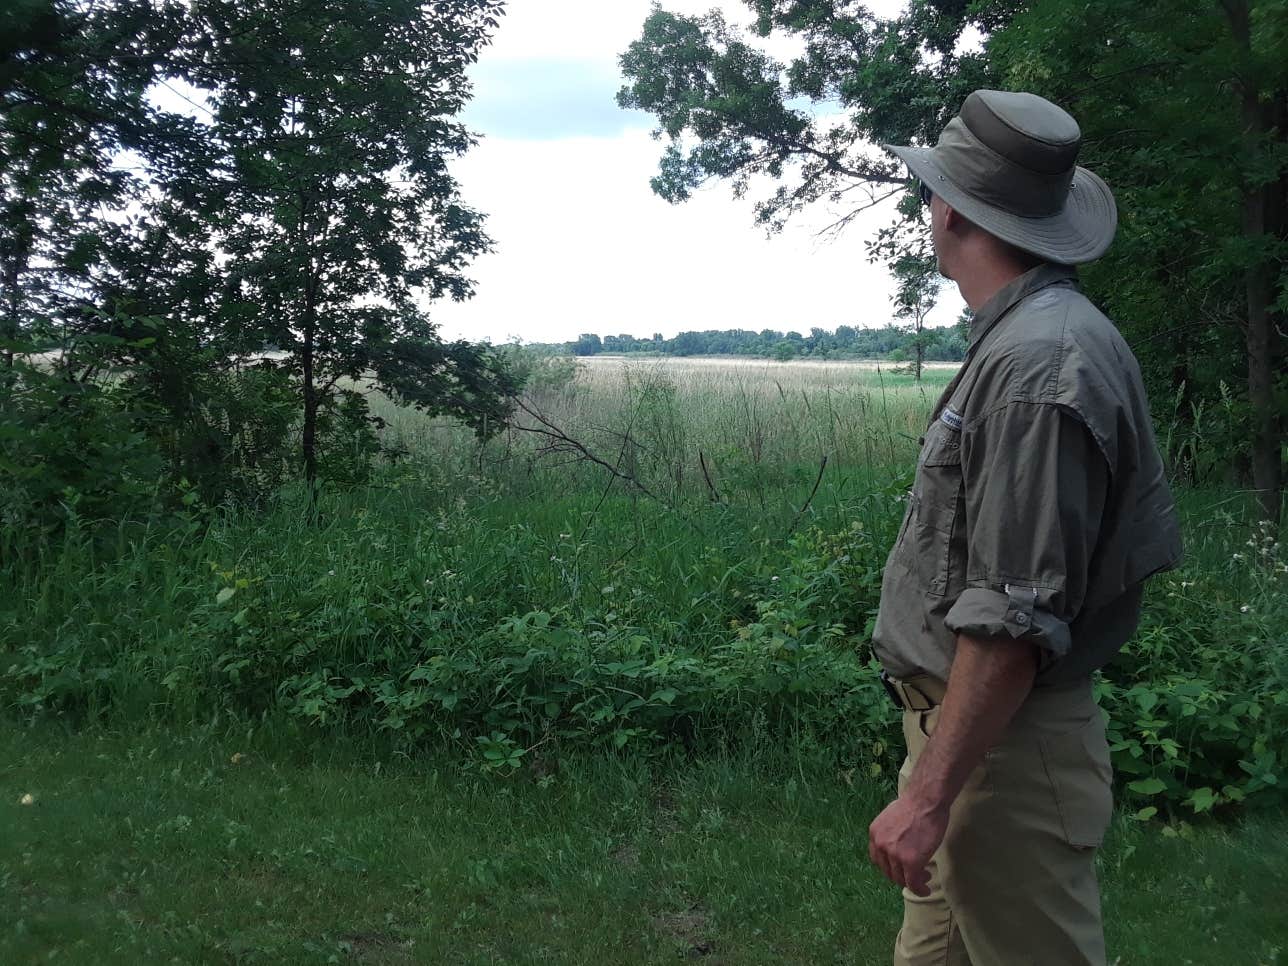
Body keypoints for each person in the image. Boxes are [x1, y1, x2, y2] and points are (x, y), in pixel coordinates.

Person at [867, 89, 1183, 965]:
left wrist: (929, 798)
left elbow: (1014, 613)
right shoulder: (1028, 338)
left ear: (952, 210)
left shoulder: (1039, 365)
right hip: (969, 743)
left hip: (998, 754)